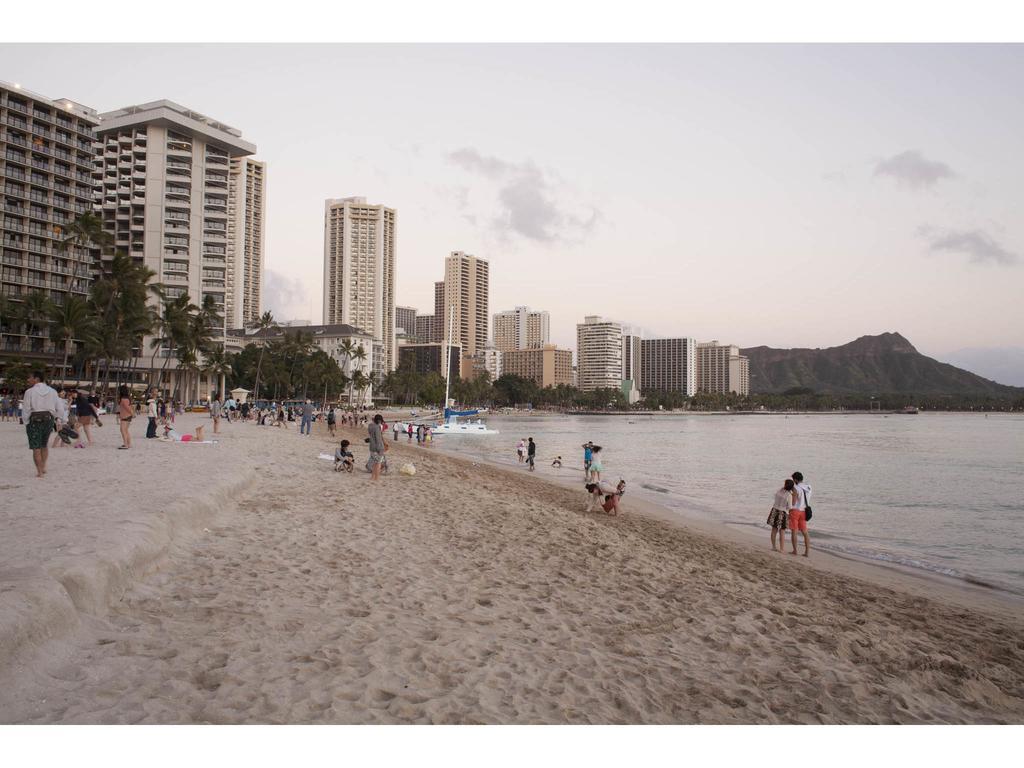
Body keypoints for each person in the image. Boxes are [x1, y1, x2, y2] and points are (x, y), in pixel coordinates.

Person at [21, 370, 60, 478]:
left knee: (36, 447)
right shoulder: (52, 391)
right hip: (49, 419)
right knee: (44, 444)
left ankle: (39, 471)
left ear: (36, 379)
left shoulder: (29, 392)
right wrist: (60, 419)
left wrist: (26, 422)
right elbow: (59, 407)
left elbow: (26, 409)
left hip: (34, 419)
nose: (28, 380)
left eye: (30, 378)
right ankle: (43, 466)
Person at [768, 479, 796, 553]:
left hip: (774, 510)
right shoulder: (789, 495)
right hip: (782, 512)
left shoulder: (779, 491)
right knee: (782, 531)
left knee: (774, 530)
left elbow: (775, 497)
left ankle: (773, 547)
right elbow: (790, 507)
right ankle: (781, 549)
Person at [789, 471, 812, 557]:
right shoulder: (809, 487)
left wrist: (791, 495)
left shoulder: (796, 488)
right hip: (804, 511)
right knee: (805, 532)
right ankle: (807, 552)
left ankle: (795, 551)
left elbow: (794, 502)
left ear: (795, 479)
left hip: (795, 511)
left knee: (794, 531)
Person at [368, 413, 387, 481]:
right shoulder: (377, 427)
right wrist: (380, 449)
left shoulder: (370, 426)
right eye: (381, 421)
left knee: (375, 463)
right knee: (378, 463)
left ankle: (372, 477)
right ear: (379, 420)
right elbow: (378, 439)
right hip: (377, 448)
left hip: (372, 447)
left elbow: (372, 437)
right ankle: (377, 478)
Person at [117, 385, 133, 450]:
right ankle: (128, 444)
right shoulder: (127, 398)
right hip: (127, 416)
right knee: (125, 430)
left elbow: (127, 408)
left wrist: (133, 413)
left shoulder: (124, 399)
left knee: (123, 430)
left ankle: (126, 444)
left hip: (125, 416)